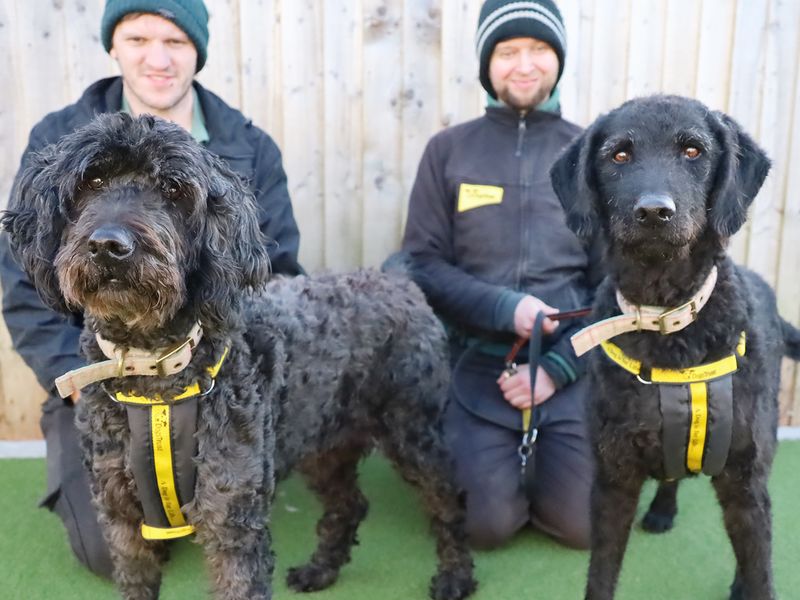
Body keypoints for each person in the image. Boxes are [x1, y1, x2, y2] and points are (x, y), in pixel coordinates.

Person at [0, 0, 303, 577]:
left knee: (233, 510)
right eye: (138, 39)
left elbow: (277, 268)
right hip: (94, 374)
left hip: (210, 369)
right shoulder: (59, 138)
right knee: (104, 552)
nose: (157, 59)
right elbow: (24, 281)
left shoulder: (250, 146)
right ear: (113, 45)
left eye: (176, 42)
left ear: (199, 53)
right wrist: (73, 378)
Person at [401, 0, 603, 550]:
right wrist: (501, 308)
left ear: (558, 58)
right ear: (487, 63)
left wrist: (557, 369)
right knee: (482, 528)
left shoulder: (593, 156)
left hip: (571, 364)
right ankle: (502, 463)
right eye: (508, 50)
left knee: (584, 527)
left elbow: (614, 289)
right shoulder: (447, 151)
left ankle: (541, 457)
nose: (524, 65)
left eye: (539, 49)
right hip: (474, 364)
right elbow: (419, 263)